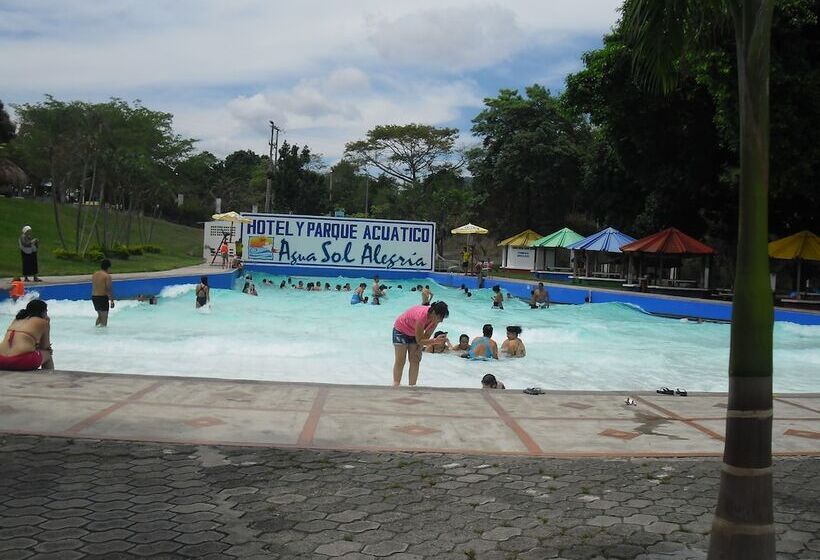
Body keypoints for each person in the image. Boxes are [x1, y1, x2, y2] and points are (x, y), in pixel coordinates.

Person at [392, 301, 449, 386]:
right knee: (401, 360)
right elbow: (419, 340)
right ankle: (396, 385)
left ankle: (412, 386)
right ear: (433, 313)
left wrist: (419, 349)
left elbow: (425, 338)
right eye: (440, 317)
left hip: (415, 334)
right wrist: (435, 341)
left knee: (415, 359)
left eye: (442, 318)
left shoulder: (435, 321)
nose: (441, 320)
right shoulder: (422, 317)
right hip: (401, 330)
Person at [0, 299, 54, 371]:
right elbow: (45, 346)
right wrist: (48, 323)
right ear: (43, 312)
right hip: (20, 361)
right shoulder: (43, 322)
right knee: (47, 353)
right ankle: (49, 378)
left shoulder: (17, 319)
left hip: (1, 360)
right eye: (46, 311)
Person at [91, 259, 115, 327]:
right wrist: (112, 301)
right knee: (104, 319)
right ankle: (102, 335)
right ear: (108, 267)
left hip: (94, 297)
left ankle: (95, 330)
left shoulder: (95, 274)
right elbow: (108, 289)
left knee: (100, 316)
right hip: (102, 297)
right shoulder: (107, 276)